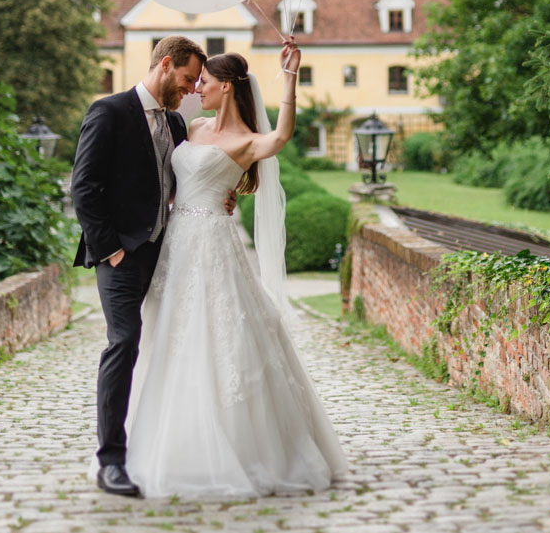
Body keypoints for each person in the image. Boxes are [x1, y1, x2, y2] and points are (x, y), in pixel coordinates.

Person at [126, 39, 348, 499]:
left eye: (203, 82)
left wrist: (289, 77)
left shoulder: (247, 141)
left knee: (219, 337)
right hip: (176, 246)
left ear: (226, 87)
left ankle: (237, 449)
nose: (196, 89)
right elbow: (173, 178)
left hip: (213, 248)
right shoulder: (194, 126)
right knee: (170, 337)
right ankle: (167, 435)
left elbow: (282, 137)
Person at [71, 35, 207, 497]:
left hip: (169, 251)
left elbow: (180, 181)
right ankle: (110, 461)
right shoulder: (108, 112)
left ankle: (175, 448)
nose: (191, 90)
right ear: (166, 65)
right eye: (187, 79)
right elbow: (84, 188)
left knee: (183, 343)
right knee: (124, 342)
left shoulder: (175, 122)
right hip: (121, 255)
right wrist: (111, 250)